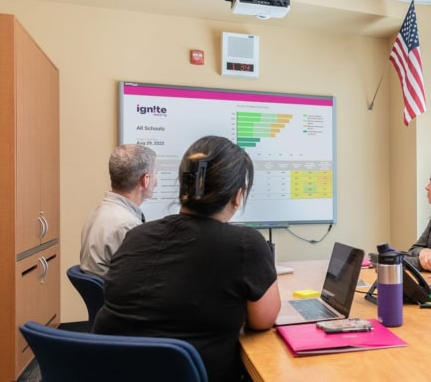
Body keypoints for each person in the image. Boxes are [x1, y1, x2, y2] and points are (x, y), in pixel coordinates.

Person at [93, 135, 281, 381]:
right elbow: (262, 321)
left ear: (184, 186)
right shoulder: (245, 244)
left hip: (110, 371)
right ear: (238, 195)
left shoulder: (137, 235)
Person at [80, 143, 157, 277]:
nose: (156, 182)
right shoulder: (127, 226)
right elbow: (144, 278)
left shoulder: (98, 212)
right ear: (146, 180)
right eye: (155, 174)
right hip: (119, 295)